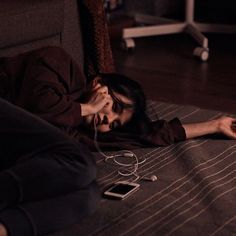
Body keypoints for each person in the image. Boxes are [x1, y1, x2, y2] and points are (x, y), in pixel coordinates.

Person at [1, 46, 236, 236]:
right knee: (82, 164)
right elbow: (38, 106)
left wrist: (214, 125)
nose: (106, 118)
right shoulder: (59, 63)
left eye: (113, 124)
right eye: (114, 106)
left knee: (89, 195)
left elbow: (145, 135)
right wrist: (86, 107)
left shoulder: (77, 131)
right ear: (98, 84)